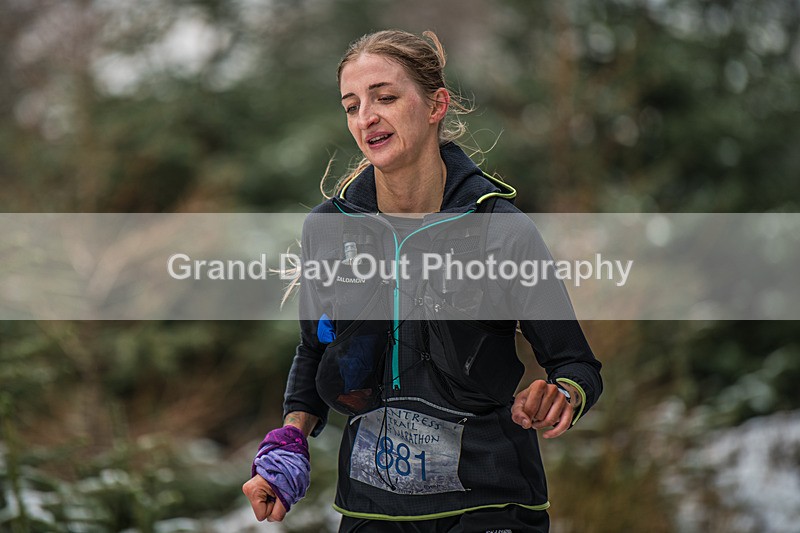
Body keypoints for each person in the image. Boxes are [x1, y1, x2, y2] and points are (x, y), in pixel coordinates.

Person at [243, 29, 602, 533]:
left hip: (490, 506)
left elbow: (577, 363)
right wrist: (289, 444)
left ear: (437, 105)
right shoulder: (328, 230)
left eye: (385, 97)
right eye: (351, 106)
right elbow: (314, 350)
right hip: (371, 512)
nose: (366, 117)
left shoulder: (500, 228)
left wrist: (561, 394)